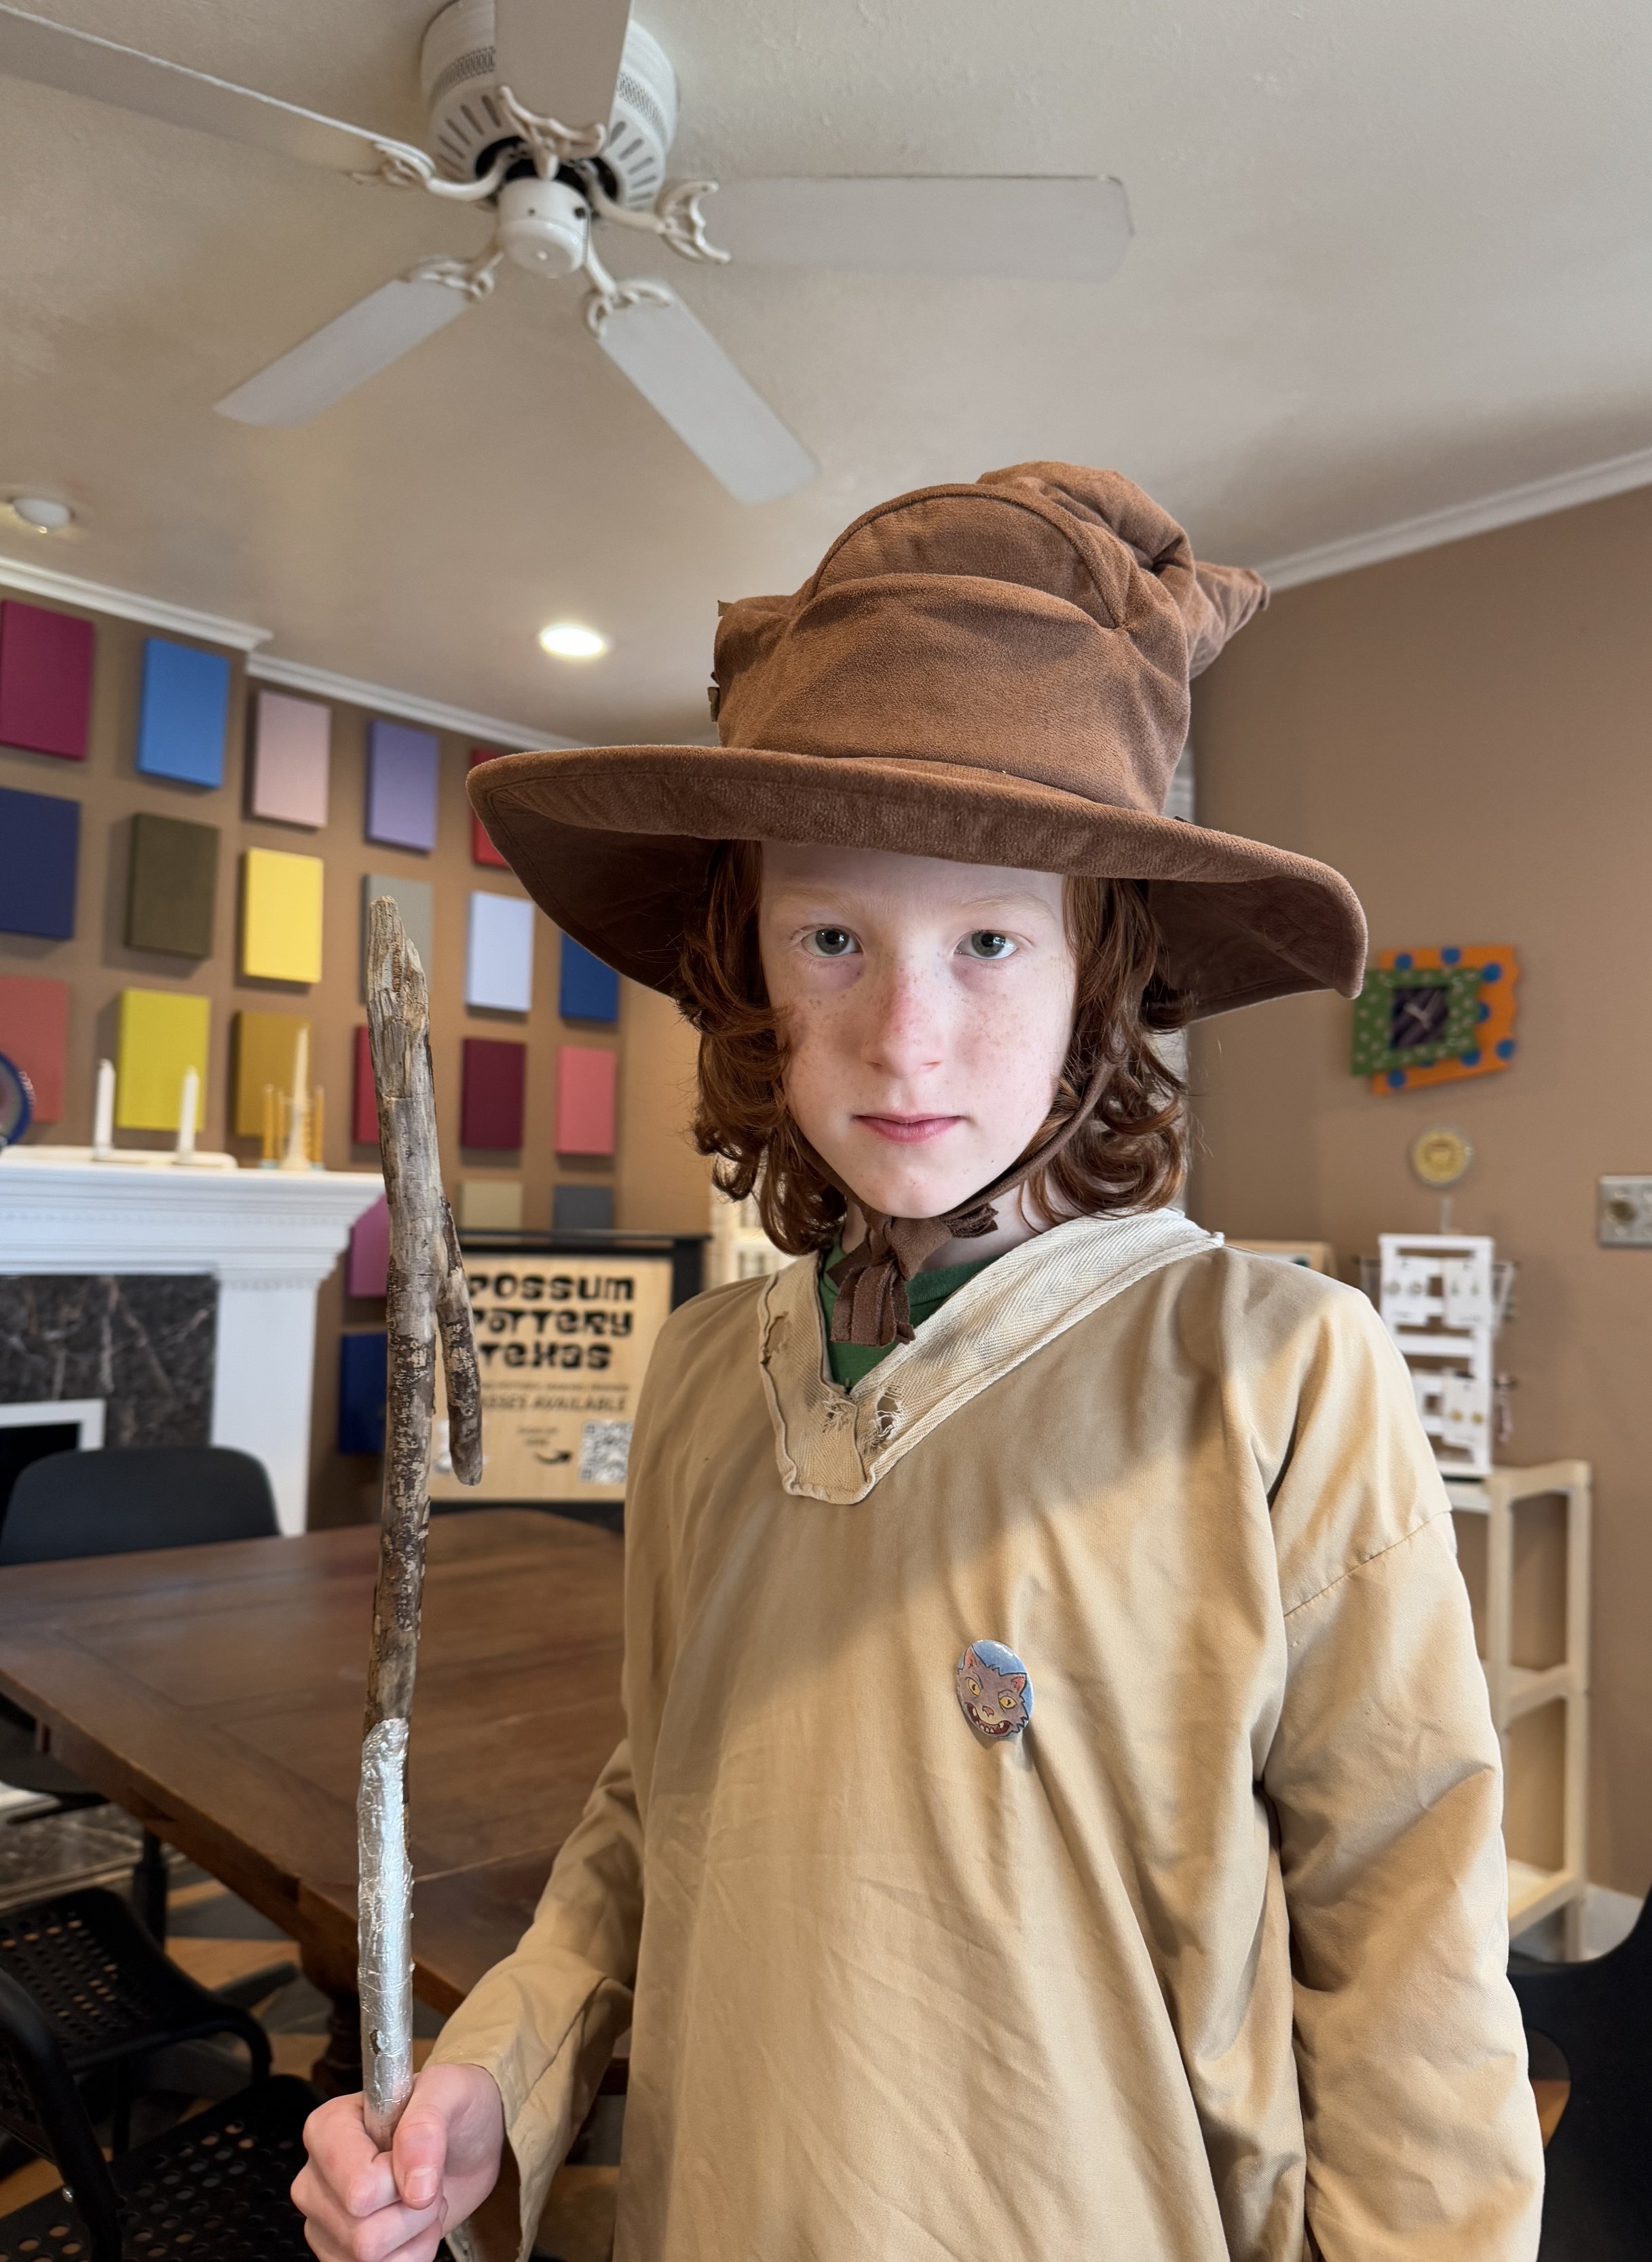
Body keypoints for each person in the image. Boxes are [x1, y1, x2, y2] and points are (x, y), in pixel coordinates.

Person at [294, 465, 1543, 2261]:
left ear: (1098, 970)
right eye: (833, 939)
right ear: (746, 966)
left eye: (988, 941)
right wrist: (508, 2066)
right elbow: (658, 1804)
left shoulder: (1273, 1377)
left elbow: (1405, 1930)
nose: (905, 1037)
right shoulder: (708, 1373)